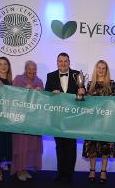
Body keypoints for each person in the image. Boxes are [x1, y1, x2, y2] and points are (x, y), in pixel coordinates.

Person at [45, 52, 85, 183]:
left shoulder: (77, 75)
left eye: (65, 61)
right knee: (60, 146)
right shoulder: (50, 76)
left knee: (71, 146)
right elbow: (46, 95)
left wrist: (82, 92)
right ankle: (60, 172)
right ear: (57, 63)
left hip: (73, 117)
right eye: (60, 61)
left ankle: (69, 173)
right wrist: (52, 94)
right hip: (57, 117)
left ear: (69, 62)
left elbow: (83, 94)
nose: (63, 63)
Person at [82, 60, 115, 183]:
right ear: (96, 69)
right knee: (92, 147)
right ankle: (92, 170)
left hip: (106, 121)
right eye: (99, 67)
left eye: (103, 68)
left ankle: (103, 171)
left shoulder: (111, 84)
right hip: (92, 121)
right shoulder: (90, 84)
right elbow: (86, 104)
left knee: (105, 147)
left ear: (106, 70)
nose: (101, 70)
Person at [11, 60, 44, 181]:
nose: (32, 71)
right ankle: (19, 170)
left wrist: (41, 94)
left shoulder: (39, 82)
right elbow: (13, 96)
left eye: (34, 69)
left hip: (34, 121)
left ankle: (25, 169)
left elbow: (43, 102)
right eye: (29, 69)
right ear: (25, 69)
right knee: (21, 146)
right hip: (20, 120)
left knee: (31, 146)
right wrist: (23, 91)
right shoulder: (18, 79)